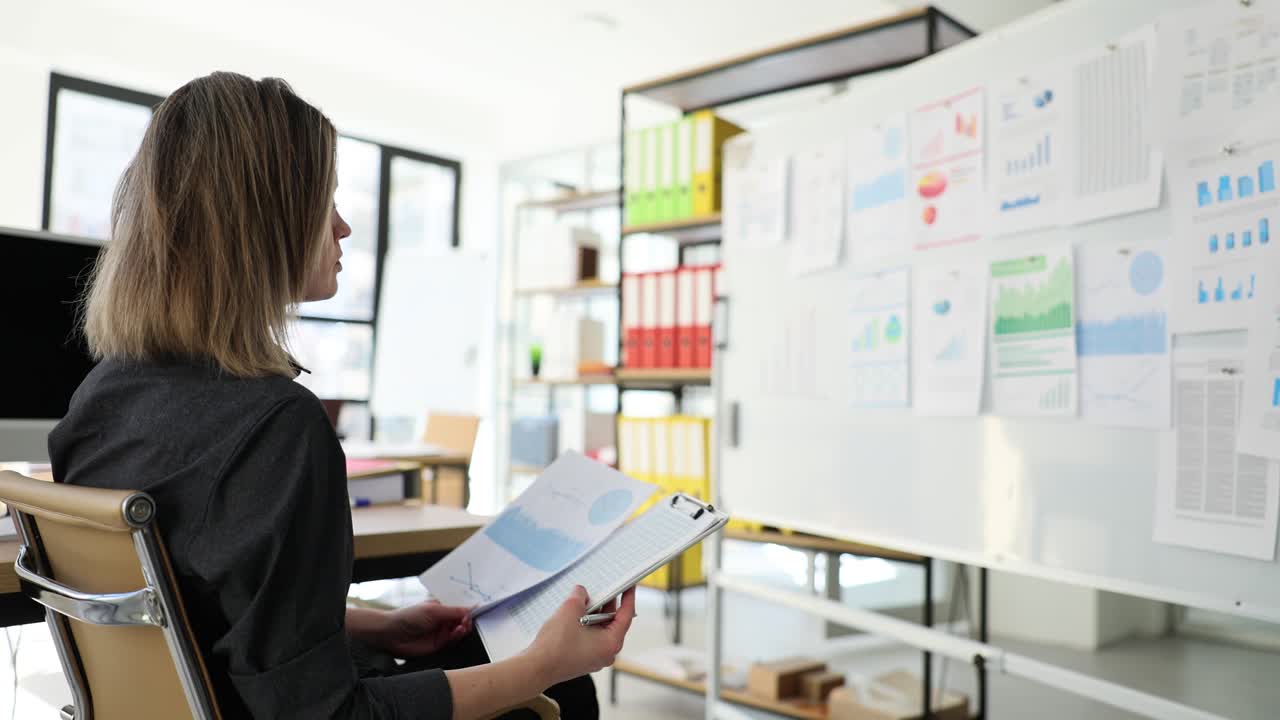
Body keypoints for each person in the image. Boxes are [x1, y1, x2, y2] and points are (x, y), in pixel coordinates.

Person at [47, 71, 634, 719]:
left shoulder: (101, 396)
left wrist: (373, 626)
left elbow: (187, 605)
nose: (345, 226)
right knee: (562, 688)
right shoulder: (276, 426)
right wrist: (544, 664)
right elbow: (326, 716)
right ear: (265, 224)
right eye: (325, 202)